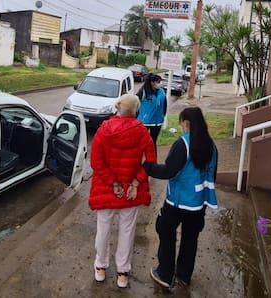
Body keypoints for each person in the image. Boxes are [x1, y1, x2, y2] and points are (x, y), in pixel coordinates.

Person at [142, 107, 218, 289]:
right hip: (198, 204)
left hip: (177, 202)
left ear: (187, 123)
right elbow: (211, 175)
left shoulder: (183, 144)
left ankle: (165, 274)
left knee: (165, 231)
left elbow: (169, 171)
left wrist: (146, 165)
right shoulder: (212, 145)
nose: (182, 126)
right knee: (190, 239)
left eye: (182, 122)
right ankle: (184, 275)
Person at [88, 94, 156, 288]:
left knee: (103, 229)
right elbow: (150, 162)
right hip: (130, 191)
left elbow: (96, 163)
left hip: (106, 188)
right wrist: (135, 184)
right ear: (136, 110)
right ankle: (122, 273)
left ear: (118, 109)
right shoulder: (143, 133)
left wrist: (114, 183)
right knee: (127, 230)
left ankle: (100, 267)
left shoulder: (103, 131)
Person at [136, 73, 167, 153]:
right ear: (152, 82)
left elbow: (164, 105)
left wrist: (163, 115)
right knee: (141, 142)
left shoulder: (162, 92)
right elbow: (135, 104)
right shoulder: (143, 92)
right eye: (158, 82)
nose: (160, 84)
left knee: (153, 142)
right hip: (144, 122)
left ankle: (153, 163)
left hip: (157, 122)